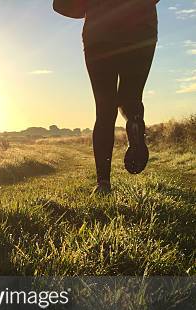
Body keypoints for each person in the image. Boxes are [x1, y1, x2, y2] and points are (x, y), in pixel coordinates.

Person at [54, 0, 159, 194]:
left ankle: (103, 183)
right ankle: (135, 122)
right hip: (141, 29)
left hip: (99, 33)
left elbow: (60, 5)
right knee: (131, 96)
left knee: (105, 109)